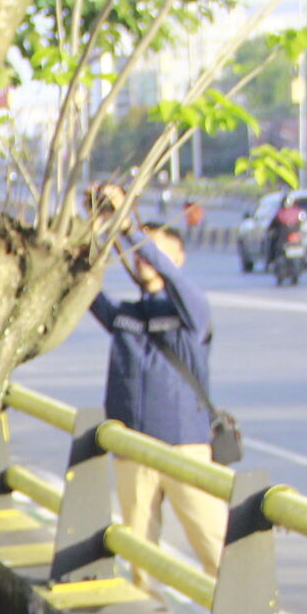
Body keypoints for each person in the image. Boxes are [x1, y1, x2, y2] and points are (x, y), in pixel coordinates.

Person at [90, 219, 223, 577]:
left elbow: (172, 279)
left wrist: (130, 228)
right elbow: (84, 286)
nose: (145, 256)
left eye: (156, 249)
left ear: (178, 258)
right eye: (140, 251)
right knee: (140, 561)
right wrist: (94, 229)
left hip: (184, 449)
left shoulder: (191, 313)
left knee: (216, 551)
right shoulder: (127, 316)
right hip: (132, 450)